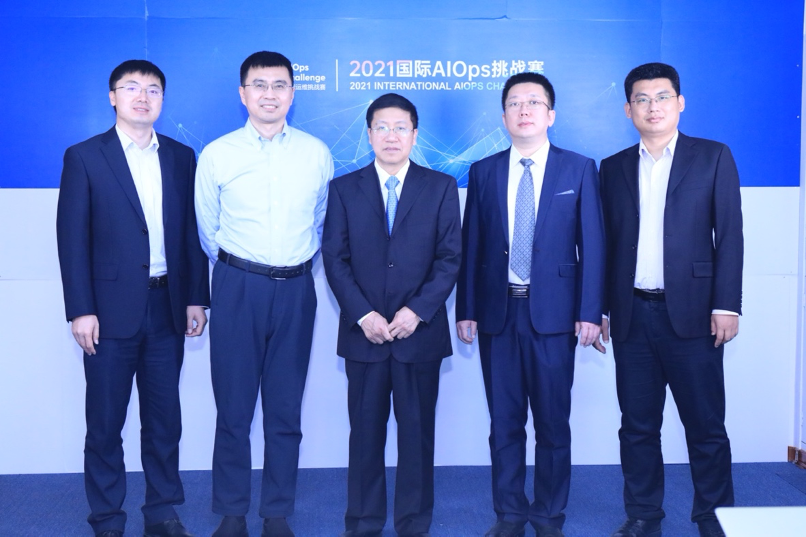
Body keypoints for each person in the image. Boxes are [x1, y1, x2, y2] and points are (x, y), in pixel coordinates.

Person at [56, 59, 210, 537]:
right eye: (131, 88)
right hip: (106, 312)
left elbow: (190, 233)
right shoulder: (85, 156)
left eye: (153, 89)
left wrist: (196, 297)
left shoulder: (181, 157)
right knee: (105, 422)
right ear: (112, 97)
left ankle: (162, 510)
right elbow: (71, 239)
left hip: (167, 307)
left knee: (164, 420)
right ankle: (107, 516)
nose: (143, 97)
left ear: (163, 99)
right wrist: (81, 309)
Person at [455, 72, 605, 537]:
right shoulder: (483, 171)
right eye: (514, 103)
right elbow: (472, 244)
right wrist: (466, 308)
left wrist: (590, 311)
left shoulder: (578, 168)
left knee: (553, 423)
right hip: (498, 314)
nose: (524, 110)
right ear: (503, 117)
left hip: (555, 317)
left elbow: (593, 245)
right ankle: (509, 513)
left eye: (534, 102)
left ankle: (548, 514)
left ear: (550, 115)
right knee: (504, 422)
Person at [597, 62, 742, 537]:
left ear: (680, 103)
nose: (652, 106)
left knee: (705, 426)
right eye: (641, 99)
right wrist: (601, 308)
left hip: (696, 315)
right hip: (632, 315)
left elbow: (730, 236)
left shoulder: (712, 156)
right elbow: (605, 244)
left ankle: (714, 517)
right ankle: (643, 515)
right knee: (637, 426)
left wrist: (726, 305)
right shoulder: (613, 167)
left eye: (662, 97)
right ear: (628, 110)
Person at [195, 51, 334, 537]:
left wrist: (294, 266)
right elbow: (207, 229)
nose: (269, 94)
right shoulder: (218, 154)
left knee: (284, 408)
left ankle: (276, 513)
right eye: (259, 85)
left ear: (292, 93)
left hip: (297, 288)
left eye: (279, 85)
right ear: (243, 94)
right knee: (234, 409)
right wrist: (243, 269)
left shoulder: (316, 153)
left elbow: (321, 223)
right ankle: (232, 512)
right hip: (237, 286)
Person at [322, 93, 462, 537]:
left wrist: (416, 311)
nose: (391, 136)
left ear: (415, 134)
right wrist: (364, 315)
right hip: (364, 335)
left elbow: (450, 258)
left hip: (418, 335)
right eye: (381, 127)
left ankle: (413, 523)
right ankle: (364, 522)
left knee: (417, 436)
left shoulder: (440, 186)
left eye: (401, 127)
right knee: (365, 436)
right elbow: (334, 259)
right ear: (369, 134)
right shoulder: (344, 188)